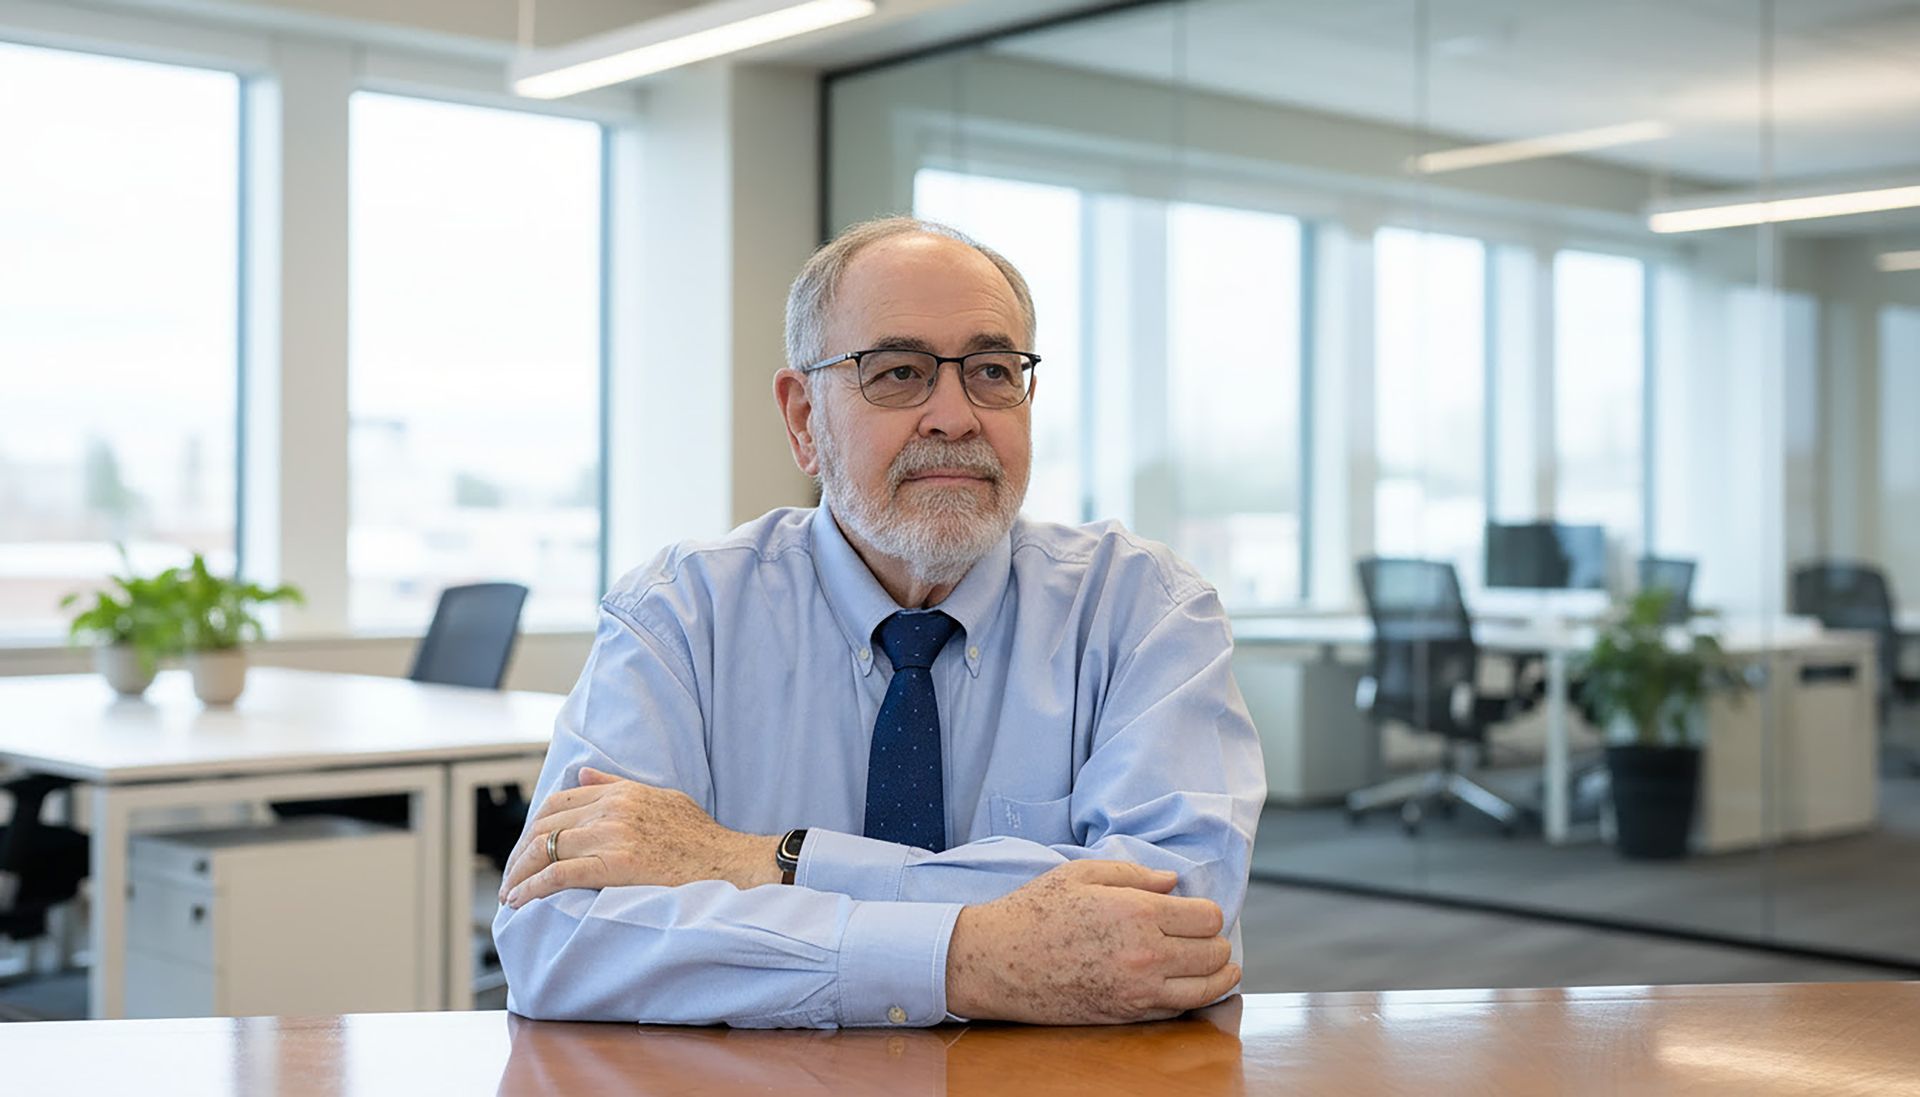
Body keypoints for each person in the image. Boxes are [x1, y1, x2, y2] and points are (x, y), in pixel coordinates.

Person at [492, 217, 1264, 1028]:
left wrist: (758, 863)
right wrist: (965, 957)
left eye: (992, 372)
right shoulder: (680, 616)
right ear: (803, 419)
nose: (955, 417)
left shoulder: (1142, 609)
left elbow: (1180, 917)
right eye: (899, 373)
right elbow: (557, 935)